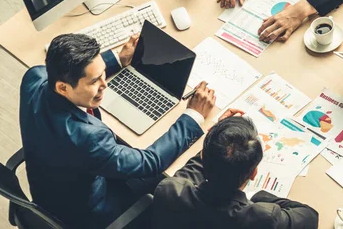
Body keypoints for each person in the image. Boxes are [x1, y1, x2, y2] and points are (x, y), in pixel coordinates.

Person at [19, 33, 215, 228]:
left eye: (102, 73)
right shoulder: (88, 138)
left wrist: (117, 60)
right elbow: (150, 161)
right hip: (87, 213)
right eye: (94, 81)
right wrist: (192, 116)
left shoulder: (34, 77)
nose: (105, 85)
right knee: (169, 183)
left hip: (49, 188)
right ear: (63, 88)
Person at [151, 115, 319, 229]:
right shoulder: (263, 218)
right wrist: (258, 197)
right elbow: (310, 216)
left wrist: (218, 139)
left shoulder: (171, 190)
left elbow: (192, 171)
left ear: (203, 155)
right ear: (254, 174)